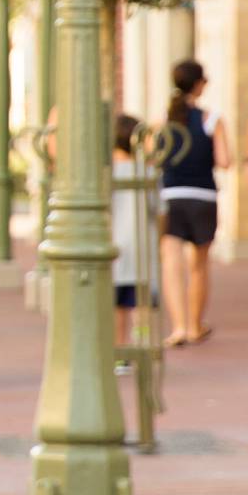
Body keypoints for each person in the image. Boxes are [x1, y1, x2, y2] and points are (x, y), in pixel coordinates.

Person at [158, 57, 229, 347]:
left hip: (171, 196)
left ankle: (177, 328)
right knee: (198, 265)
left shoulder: (163, 121)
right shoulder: (212, 119)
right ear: (199, 85)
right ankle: (194, 325)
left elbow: (153, 157)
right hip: (203, 197)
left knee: (171, 263)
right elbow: (225, 161)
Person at [110, 114, 156, 348]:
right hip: (142, 245)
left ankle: (120, 348)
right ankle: (142, 341)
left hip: (116, 247)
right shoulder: (147, 173)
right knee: (142, 301)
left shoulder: (106, 174)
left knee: (118, 304)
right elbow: (159, 209)